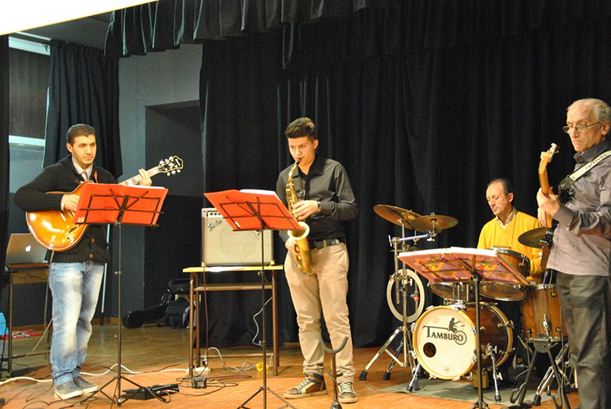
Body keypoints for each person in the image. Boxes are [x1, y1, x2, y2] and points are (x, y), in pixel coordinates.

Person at [14, 124, 152, 400]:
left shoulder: (104, 177)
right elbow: (23, 196)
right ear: (70, 147)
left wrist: (140, 190)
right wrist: (62, 201)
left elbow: (116, 209)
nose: (89, 151)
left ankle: (75, 372)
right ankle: (63, 377)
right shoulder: (57, 173)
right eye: (82, 146)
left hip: (96, 255)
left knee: (85, 320)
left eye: (92, 145)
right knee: (66, 319)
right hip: (66, 256)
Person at [275, 117, 359, 404]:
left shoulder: (333, 169)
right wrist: (287, 239)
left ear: (315, 144)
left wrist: (318, 206)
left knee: (336, 318)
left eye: (302, 146)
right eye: (292, 147)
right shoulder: (286, 177)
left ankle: (345, 380)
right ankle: (314, 376)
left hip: (330, 250)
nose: (297, 153)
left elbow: (350, 208)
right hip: (298, 252)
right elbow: (279, 218)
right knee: (305, 319)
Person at [537, 98, 610, 409]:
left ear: (604, 127)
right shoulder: (582, 164)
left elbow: (608, 221)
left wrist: (561, 212)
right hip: (566, 266)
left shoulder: (608, 165)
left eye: (582, 125)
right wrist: (548, 206)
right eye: (570, 126)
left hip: (591, 271)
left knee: (592, 357)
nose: (574, 133)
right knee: (580, 354)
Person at [477, 178, 543, 280]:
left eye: (496, 198)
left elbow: (542, 262)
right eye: (488, 199)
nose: (491, 203)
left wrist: (520, 268)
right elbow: (480, 262)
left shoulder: (531, 223)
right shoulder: (487, 229)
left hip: (526, 286)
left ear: (510, 197)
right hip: (496, 286)